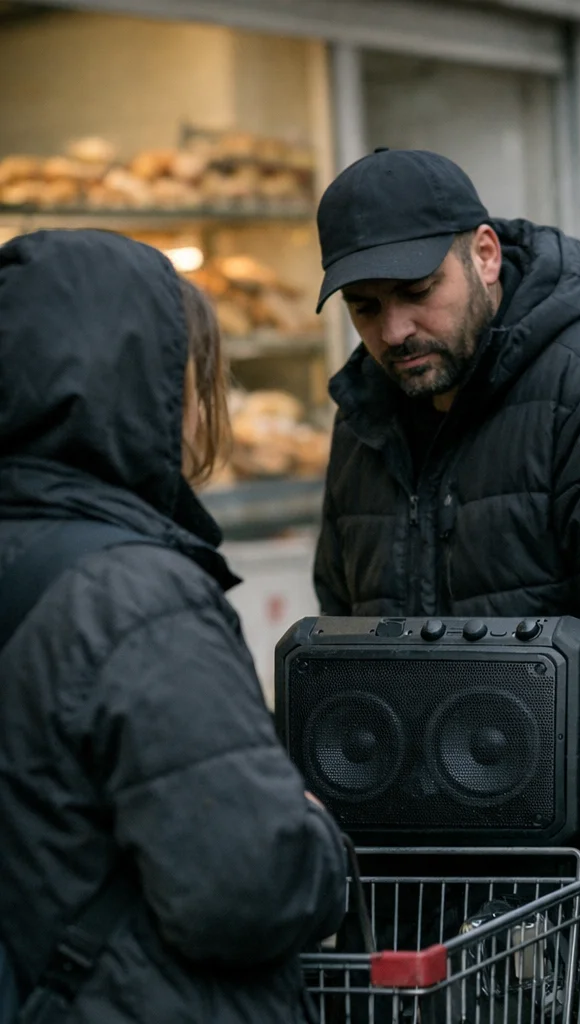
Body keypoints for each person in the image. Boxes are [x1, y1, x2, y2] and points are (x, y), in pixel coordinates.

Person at [0, 230, 349, 1023]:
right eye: (198, 374)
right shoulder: (137, 597)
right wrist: (315, 835)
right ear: (152, 387)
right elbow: (249, 886)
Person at [313, 148, 580, 692]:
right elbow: (340, 632)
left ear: (485, 254)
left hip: (577, 775)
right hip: (403, 771)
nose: (395, 329)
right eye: (365, 307)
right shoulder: (364, 410)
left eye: (417, 291)